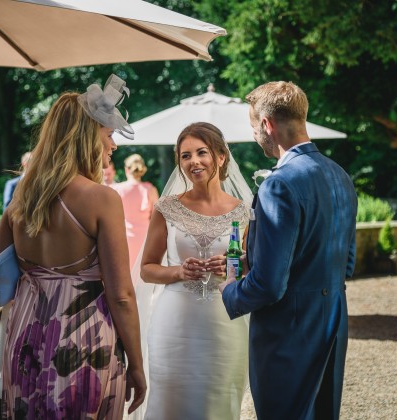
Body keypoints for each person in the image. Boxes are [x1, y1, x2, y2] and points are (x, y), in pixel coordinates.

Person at [0, 75, 145, 419]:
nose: (113, 144)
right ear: (87, 136)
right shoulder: (102, 199)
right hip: (82, 340)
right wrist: (137, 364)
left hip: (25, 337)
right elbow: (121, 295)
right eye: (108, 134)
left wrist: (36, 280)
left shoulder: (22, 197)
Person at [220, 81, 358, 420]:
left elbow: (269, 284)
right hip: (333, 323)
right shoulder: (341, 176)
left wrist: (230, 290)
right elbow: (348, 265)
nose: (255, 136)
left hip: (289, 333)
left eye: (254, 128)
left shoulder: (278, 185)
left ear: (267, 124)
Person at [132, 122, 253, 420]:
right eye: (185, 156)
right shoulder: (167, 208)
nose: (193, 162)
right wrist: (178, 272)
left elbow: (242, 264)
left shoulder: (242, 212)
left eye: (202, 152)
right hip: (174, 326)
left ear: (221, 157)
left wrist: (230, 266)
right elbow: (147, 269)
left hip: (224, 323)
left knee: (219, 402)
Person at [113, 154, 159, 270]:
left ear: (126, 169)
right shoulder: (150, 189)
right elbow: (156, 218)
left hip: (124, 237)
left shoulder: (117, 189)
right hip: (145, 238)